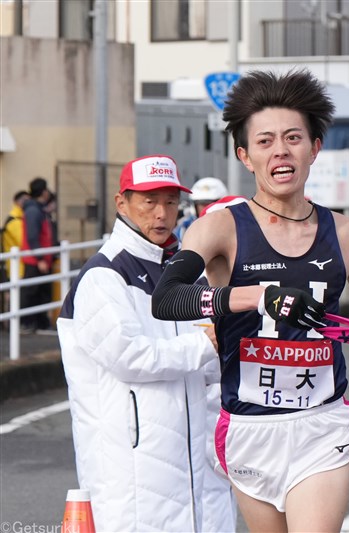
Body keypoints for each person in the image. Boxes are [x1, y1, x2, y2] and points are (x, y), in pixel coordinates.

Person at [151, 69, 349, 533]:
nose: (280, 150)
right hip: (249, 426)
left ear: (314, 147)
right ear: (245, 155)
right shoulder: (221, 228)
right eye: (264, 142)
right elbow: (167, 298)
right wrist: (257, 297)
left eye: (293, 137)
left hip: (321, 425)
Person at [57, 154, 237, 532]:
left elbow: (209, 363)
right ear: (122, 203)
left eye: (171, 201)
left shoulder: (180, 271)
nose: (162, 213)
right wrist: (207, 344)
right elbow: (128, 356)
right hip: (129, 462)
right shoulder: (104, 275)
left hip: (185, 455)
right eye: (149, 201)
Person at [20, 177, 55, 332]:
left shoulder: (37, 209)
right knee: (32, 292)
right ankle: (27, 324)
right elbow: (32, 237)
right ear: (43, 191)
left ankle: (40, 323)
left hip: (40, 258)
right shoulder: (34, 210)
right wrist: (40, 258)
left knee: (41, 292)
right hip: (35, 259)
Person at [1, 190, 30, 318]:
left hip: (19, 266)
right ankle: (14, 325)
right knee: (15, 297)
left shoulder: (20, 218)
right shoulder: (14, 221)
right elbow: (23, 241)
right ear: (16, 202)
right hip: (15, 267)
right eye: (23, 200)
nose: (26, 203)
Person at [175, 176, 229, 241]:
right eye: (202, 204)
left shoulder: (232, 228)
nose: (207, 208)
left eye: (210, 204)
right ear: (195, 206)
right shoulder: (184, 229)